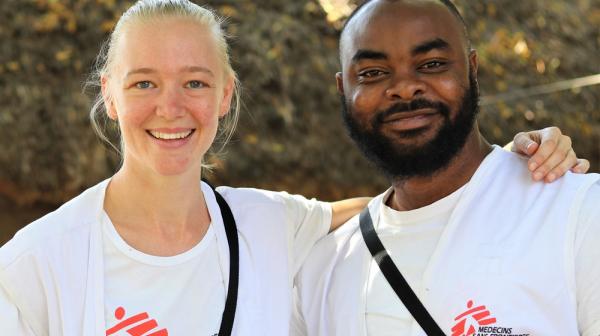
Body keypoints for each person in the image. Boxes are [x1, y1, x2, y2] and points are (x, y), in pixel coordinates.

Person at [0, 0, 589, 335]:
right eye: (143, 82)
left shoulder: (270, 228)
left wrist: (513, 168)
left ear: (226, 95)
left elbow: (408, 211)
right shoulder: (35, 264)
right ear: (109, 93)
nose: (170, 107)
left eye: (196, 82)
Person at [293, 1, 600, 335]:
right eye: (372, 73)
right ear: (343, 89)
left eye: (432, 64)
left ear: (471, 69)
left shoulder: (576, 214)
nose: (405, 87)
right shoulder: (322, 271)